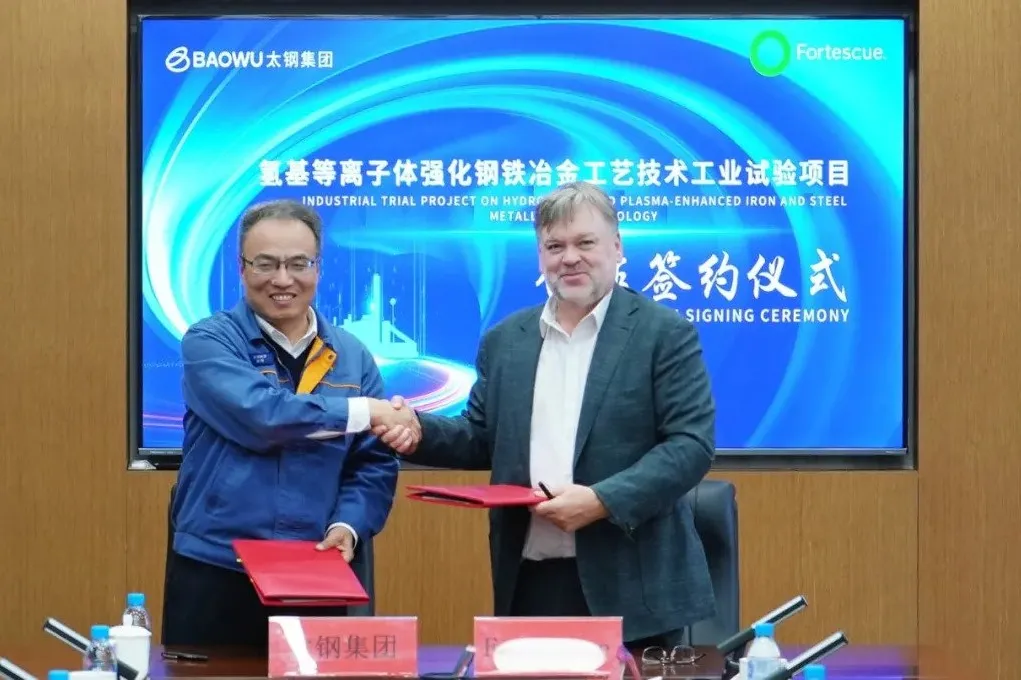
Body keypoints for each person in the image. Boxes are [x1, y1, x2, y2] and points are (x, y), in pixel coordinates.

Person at [378, 182, 717, 649]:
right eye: (555, 246)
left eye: (585, 242)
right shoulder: (506, 340)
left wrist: (601, 500)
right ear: (540, 256)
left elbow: (689, 445)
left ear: (617, 246)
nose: (569, 258)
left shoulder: (664, 333)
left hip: (633, 582)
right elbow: (480, 437)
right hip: (531, 576)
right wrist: (417, 430)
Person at [163, 199, 415, 650]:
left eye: (299, 264)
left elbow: (372, 464)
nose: (283, 280)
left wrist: (349, 526)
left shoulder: (353, 355)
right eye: (266, 264)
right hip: (217, 567)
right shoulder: (209, 341)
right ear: (242, 269)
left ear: (318, 268)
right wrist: (368, 410)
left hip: (317, 567)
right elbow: (265, 416)